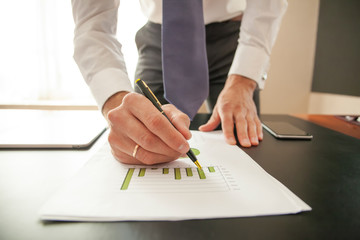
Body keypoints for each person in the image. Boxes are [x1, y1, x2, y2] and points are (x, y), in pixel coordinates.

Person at [71, 0, 288, 165]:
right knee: (141, 137)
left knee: (242, 147)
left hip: (236, 40)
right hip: (161, 38)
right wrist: (116, 101)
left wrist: (243, 80)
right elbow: (93, 26)